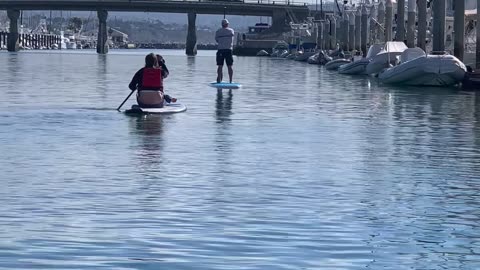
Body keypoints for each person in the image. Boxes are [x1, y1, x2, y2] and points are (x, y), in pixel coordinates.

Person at [215, 19, 234, 83]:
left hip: (220, 50)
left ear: (221, 24)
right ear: (227, 24)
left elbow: (217, 40)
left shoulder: (218, 31)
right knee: (229, 66)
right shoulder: (231, 31)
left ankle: (219, 80)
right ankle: (230, 81)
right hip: (228, 50)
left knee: (220, 66)